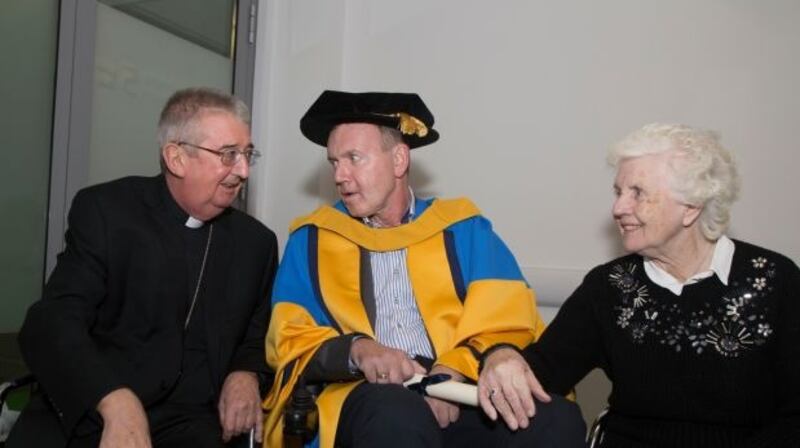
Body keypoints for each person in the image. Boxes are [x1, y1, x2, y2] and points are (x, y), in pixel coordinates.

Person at [262, 90, 586, 448]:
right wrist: (358, 349)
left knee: (556, 419)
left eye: (354, 158)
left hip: (460, 386)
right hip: (366, 395)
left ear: (399, 160)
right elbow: (289, 337)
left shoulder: (463, 229)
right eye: (334, 162)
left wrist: (451, 373)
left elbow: (508, 319)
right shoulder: (311, 240)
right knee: (394, 411)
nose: (340, 175)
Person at [479, 123, 800, 447]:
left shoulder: (774, 280)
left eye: (638, 193)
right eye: (619, 192)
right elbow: (542, 373)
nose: (618, 209)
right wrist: (500, 356)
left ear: (691, 207)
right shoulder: (610, 286)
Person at [9, 87, 279, 448]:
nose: (243, 171)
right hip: (96, 409)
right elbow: (52, 321)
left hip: (193, 424)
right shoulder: (108, 212)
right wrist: (114, 400)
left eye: (247, 154)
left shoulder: (256, 243)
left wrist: (246, 374)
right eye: (228, 155)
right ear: (176, 158)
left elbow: (259, 333)